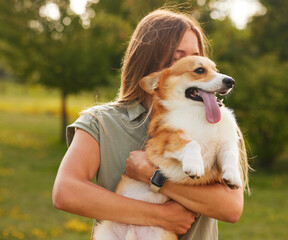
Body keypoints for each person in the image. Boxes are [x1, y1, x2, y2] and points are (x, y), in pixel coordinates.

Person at [52, 8, 249, 240]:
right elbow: (66, 192)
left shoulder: (217, 121)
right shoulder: (100, 123)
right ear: (149, 63)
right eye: (179, 58)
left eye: (197, 57)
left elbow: (230, 208)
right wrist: (160, 216)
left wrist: (153, 176)